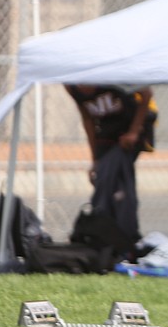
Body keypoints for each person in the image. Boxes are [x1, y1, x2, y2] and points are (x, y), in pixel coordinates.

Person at [65, 83, 157, 249]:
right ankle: (114, 237)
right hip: (107, 133)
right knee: (110, 181)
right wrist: (94, 160)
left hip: (132, 128)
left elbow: (147, 94)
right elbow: (87, 118)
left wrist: (134, 132)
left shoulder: (110, 74)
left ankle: (120, 234)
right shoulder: (71, 86)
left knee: (113, 176)